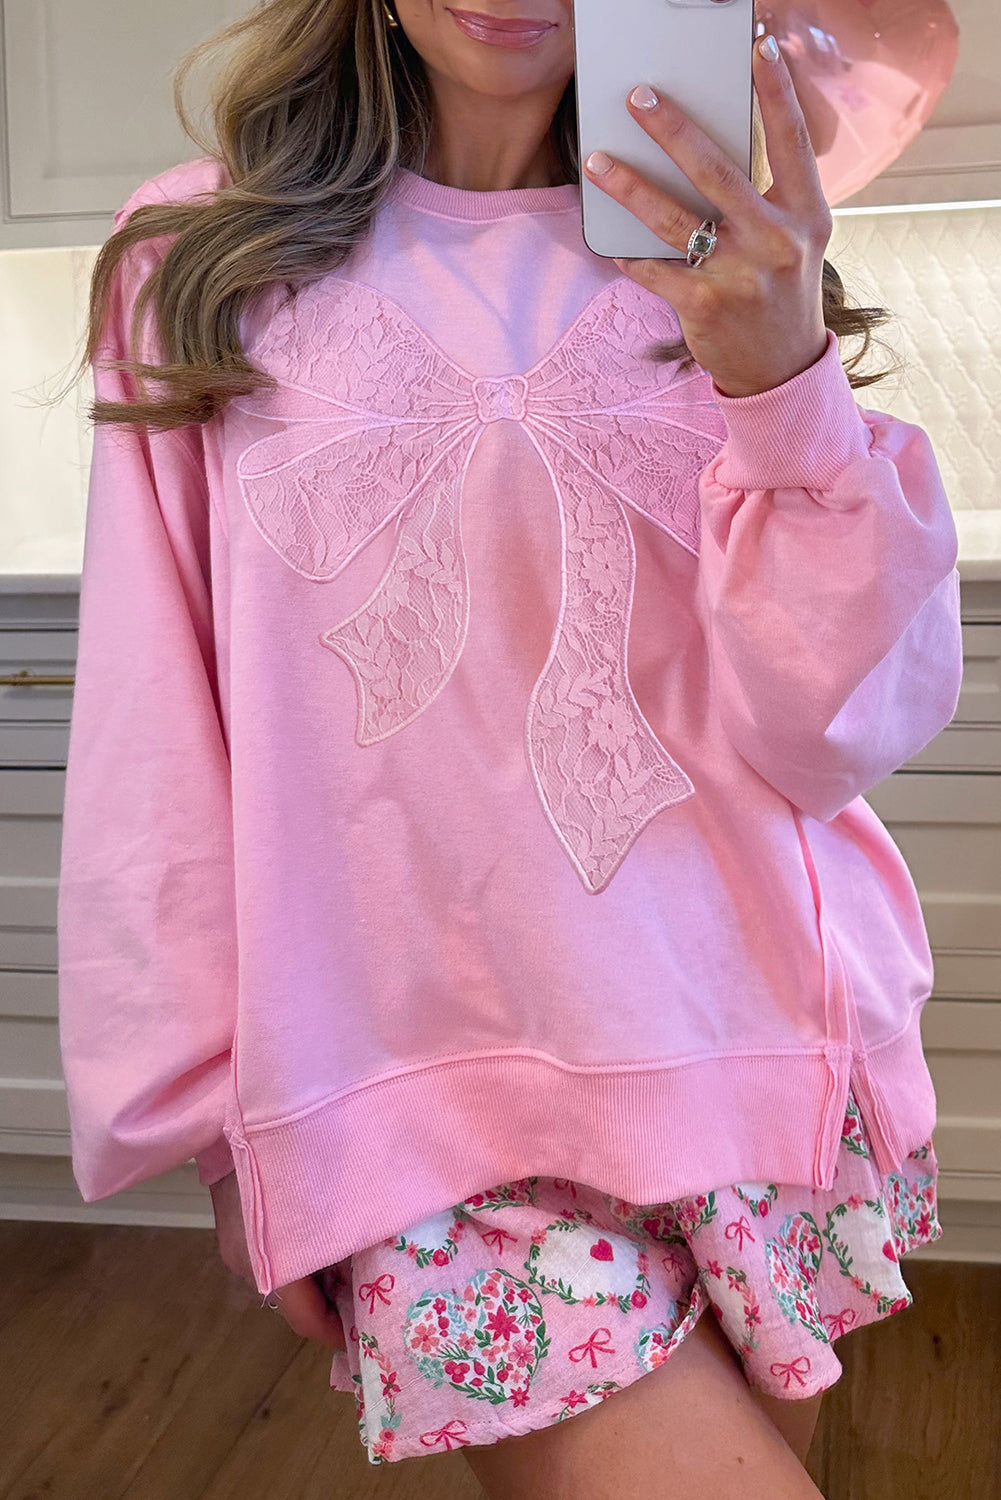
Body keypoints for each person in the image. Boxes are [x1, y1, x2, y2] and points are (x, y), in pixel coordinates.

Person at [56, 0, 961, 1493]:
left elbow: (829, 735)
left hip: (752, 1053)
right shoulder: (197, 263)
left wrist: (782, 382)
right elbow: (153, 731)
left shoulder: (726, 251)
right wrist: (226, 1126)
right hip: (416, 1099)